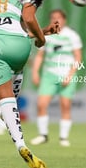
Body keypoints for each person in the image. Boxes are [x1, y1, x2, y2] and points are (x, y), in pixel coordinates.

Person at [0, 0, 59, 168]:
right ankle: (9, 107)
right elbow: (28, 19)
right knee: (17, 67)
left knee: (4, 100)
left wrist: (44, 31)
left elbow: (8, 26)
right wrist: (42, 39)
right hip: (16, 46)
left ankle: (21, 144)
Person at [30, 9, 82, 147]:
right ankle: (43, 135)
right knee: (41, 104)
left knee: (65, 105)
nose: (56, 20)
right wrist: (35, 72)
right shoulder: (46, 35)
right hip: (49, 75)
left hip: (66, 74)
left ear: (64, 19)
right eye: (53, 17)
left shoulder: (72, 35)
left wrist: (70, 75)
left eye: (58, 17)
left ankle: (63, 138)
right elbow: (40, 55)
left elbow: (78, 57)